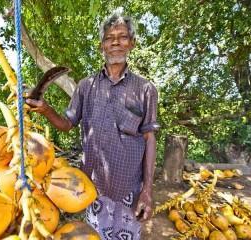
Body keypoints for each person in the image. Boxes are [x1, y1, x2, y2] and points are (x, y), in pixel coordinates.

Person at [26, 12, 160, 240]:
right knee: (94, 236)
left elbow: (149, 138)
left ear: (132, 43)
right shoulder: (86, 86)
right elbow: (67, 124)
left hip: (130, 188)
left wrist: (147, 190)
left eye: (123, 37)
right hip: (93, 188)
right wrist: (46, 109)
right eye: (109, 38)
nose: (116, 42)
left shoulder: (145, 89)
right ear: (102, 46)